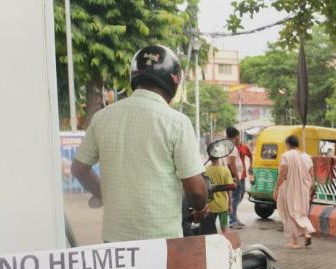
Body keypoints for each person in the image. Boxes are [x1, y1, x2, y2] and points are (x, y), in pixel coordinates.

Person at [72, 44, 208, 241]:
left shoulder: (102, 117)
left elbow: (79, 169)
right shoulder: (177, 123)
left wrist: (103, 194)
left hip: (114, 241)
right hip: (162, 241)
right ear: (174, 81)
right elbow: (196, 191)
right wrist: (201, 207)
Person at [274, 135, 316, 248]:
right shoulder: (307, 157)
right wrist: (311, 188)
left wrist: (276, 188)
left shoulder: (286, 156)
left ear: (288, 144)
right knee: (301, 212)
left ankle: (294, 242)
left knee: (290, 212)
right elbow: (311, 174)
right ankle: (306, 234)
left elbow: (282, 174)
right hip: (304, 189)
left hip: (290, 188)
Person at [202, 145, 235, 234]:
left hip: (210, 206)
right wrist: (230, 204)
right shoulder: (225, 171)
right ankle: (227, 247)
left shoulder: (205, 170)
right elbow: (229, 189)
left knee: (210, 232)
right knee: (225, 229)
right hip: (223, 206)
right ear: (220, 156)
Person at [222, 126, 246, 229]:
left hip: (232, 175)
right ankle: (232, 220)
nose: (238, 138)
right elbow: (231, 163)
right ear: (236, 136)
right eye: (238, 136)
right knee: (235, 197)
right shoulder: (231, 146)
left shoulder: (225, 145)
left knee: (237, 196)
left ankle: (234, 217)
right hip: (234, 176)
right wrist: (236, 177)